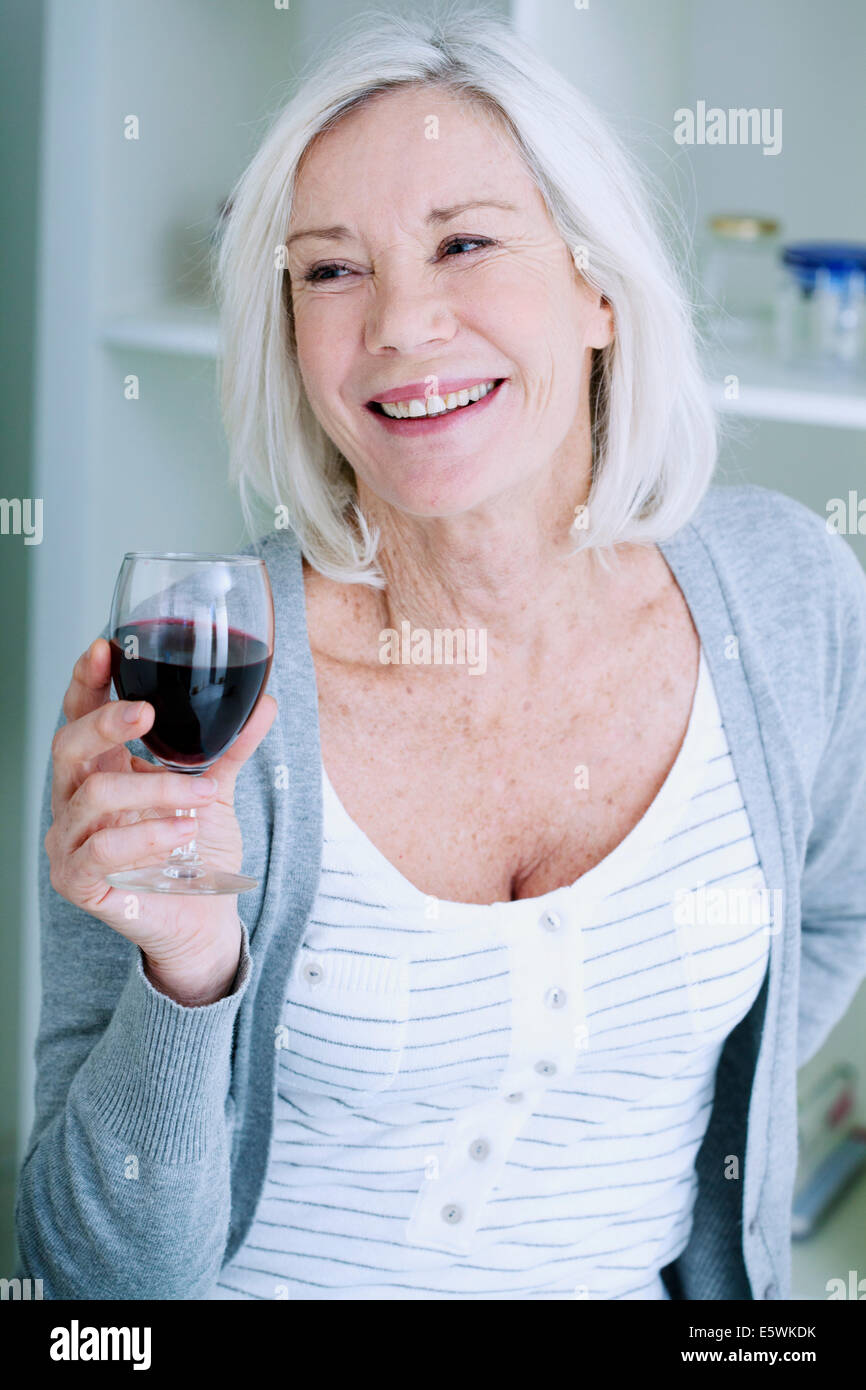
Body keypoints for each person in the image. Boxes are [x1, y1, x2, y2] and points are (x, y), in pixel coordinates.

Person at [16, 10, 866, 1300]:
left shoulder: (785, 590)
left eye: (465, 243)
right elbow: (87, 1287)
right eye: (330, 271)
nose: (403, 325)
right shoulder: (193, 695)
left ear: (597, 288)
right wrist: (186, 980)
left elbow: (836, 908)